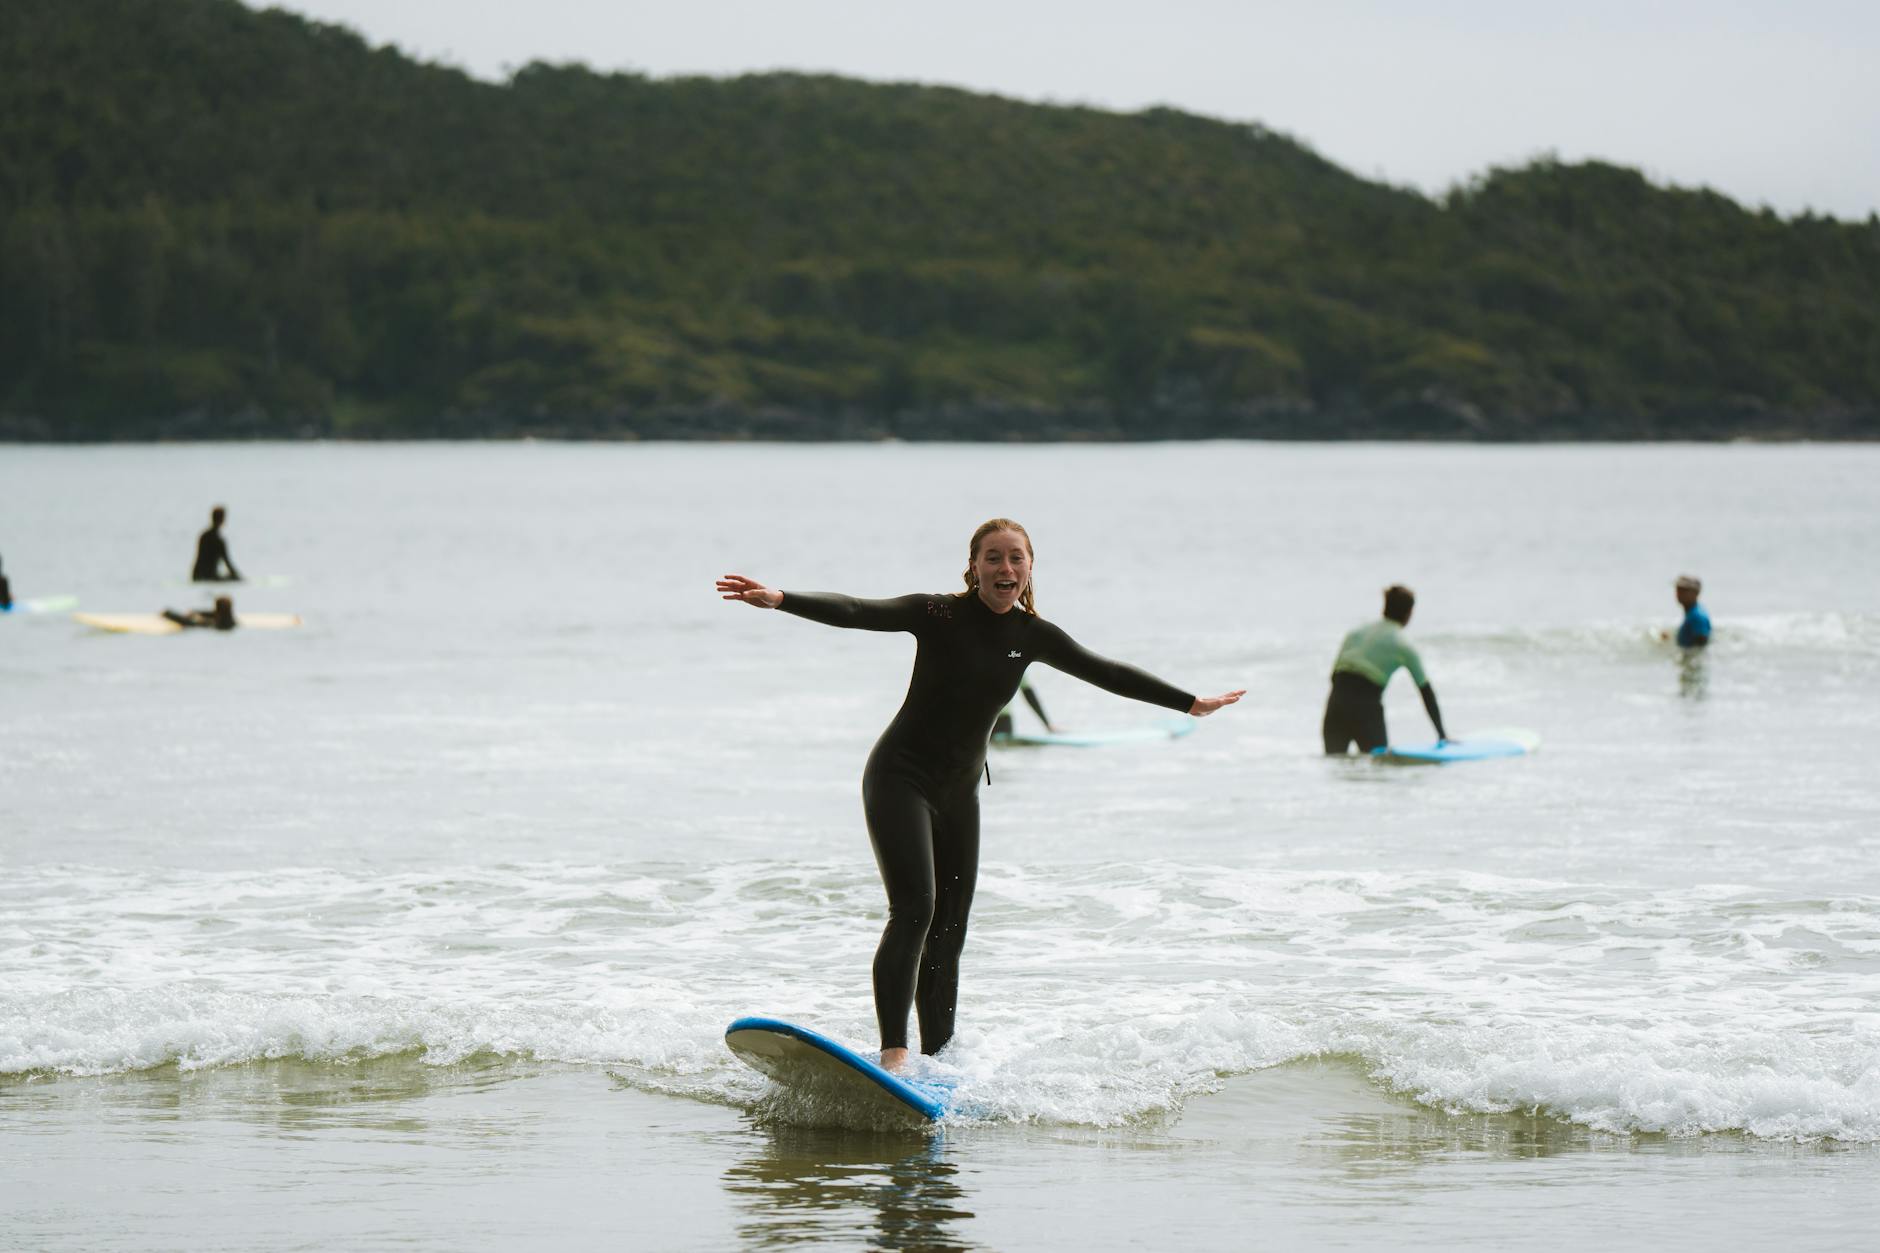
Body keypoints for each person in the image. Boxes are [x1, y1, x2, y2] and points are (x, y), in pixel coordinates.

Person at [718, 518, 1244, 1071]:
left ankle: (937, 1064)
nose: (1005, 569)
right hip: (900, 778)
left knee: (950, 931)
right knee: (915, 908)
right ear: (973, 567)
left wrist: (1190, 703)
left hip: (960, 794)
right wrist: (780, 599)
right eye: (993, 558)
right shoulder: (938, 613)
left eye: (1016, 558)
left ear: (1030, 568)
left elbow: (1105, 671)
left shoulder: (1032, 635)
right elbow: (857, 610)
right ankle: (894, 1052)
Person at [1323, 584, 1447, 754]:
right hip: (1366, 707)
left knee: (1335, 765)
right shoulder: (1403, 644)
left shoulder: (1356, 632)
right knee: (1378, 768)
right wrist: (1442, 735)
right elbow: (1425, 691)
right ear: (1409, 613)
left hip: (1336, 703)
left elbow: (1334, 675)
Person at [191, 506, 242, 583]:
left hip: (196, 575)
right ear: (222, 520)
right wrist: (238, 578)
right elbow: (227, 562)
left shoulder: (203, 536)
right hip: (209, 577)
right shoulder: (219, 540)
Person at [1667, 574, 1711, 648]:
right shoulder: (1691, 613)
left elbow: (1700, 647)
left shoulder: (1697, 616)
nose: (1679, 593)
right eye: (1678, 589)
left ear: (1696, 593)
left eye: (1684, 590)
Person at [162, 596, 238, 631]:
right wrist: (196, 613)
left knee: (189, 623)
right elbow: (213, 613)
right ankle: (167, 613)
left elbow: (213, 618)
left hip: (210, 626)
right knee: (191, 622)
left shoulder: (220, 620)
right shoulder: (230, 618)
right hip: (213, 624)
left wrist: (198, 617)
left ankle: (167, 614)